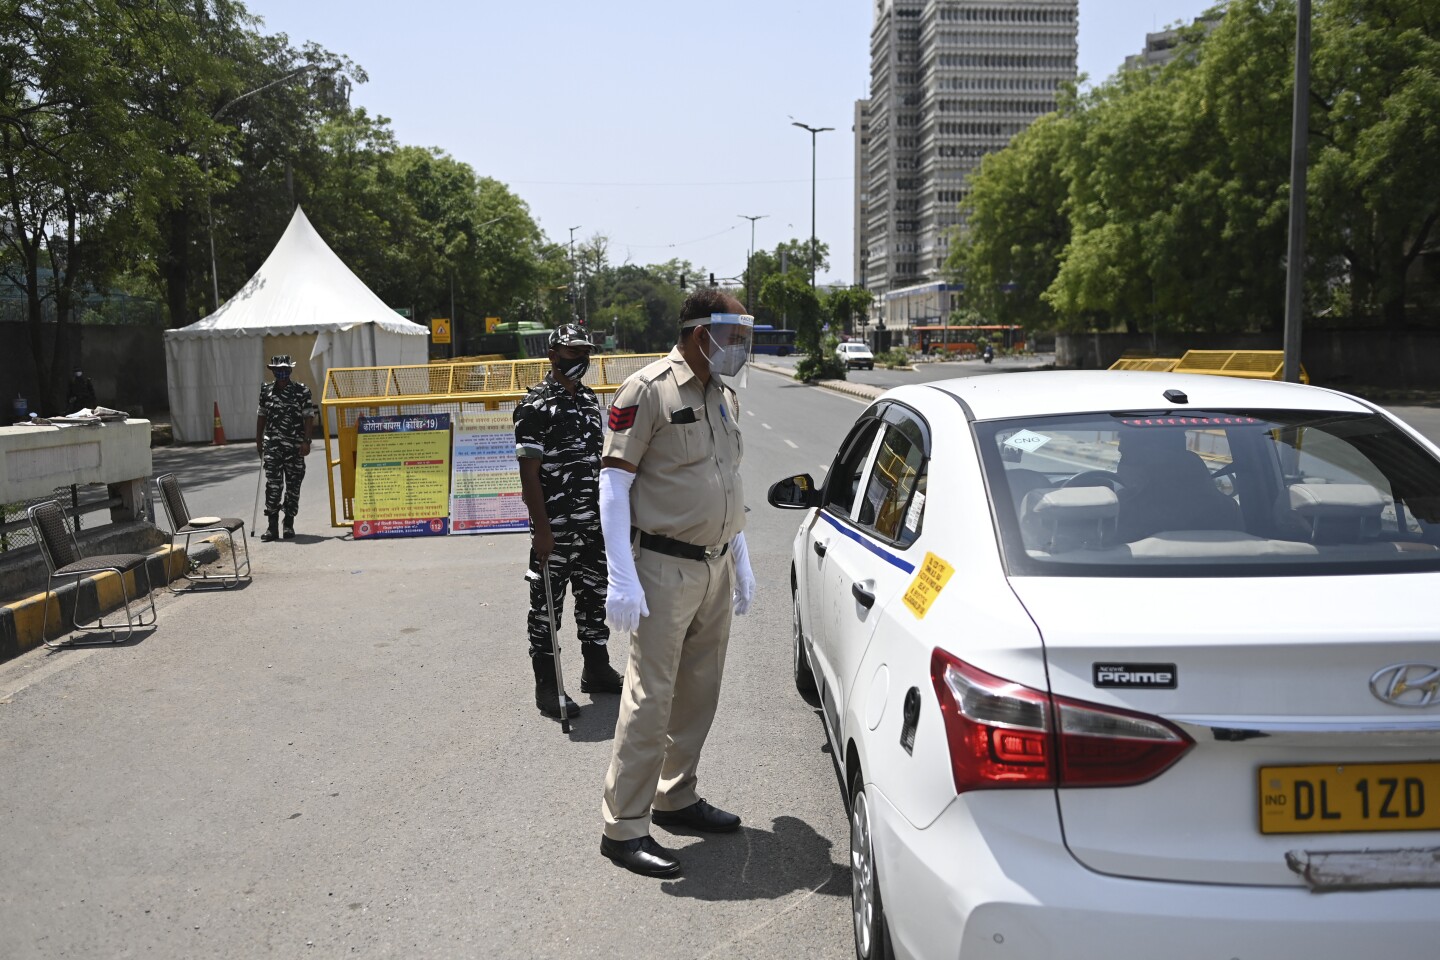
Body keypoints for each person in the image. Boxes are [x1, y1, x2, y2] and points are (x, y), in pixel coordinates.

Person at [596, 289, 757, 877]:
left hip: (713, 564)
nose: (740, 347)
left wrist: (738, 554)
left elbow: (723, 479)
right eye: (731, 334)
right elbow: (614, 484)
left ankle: (675, 794)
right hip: (662, 569)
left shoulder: (722, 396)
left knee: (699, 689)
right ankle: (623, 826)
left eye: (744, 335)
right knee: (650, 697)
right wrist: (622, 576)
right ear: (698, 332)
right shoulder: (648, 390)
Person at [513, 323, 624, 720]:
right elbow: (529, 475)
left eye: (586, 353)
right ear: (553, 355)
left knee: (594, 600)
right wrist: (542, 530)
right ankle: (547, 685)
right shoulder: (535, 406)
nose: (582, 360)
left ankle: (596, 668)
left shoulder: (589, 400)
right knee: (546, 607)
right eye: (574, 352)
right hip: (554, 529)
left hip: (591, 525)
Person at [254, 355, 315, 542]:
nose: (282, 373)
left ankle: (288, 523)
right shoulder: (266, 390)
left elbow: (309, 417)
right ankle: (272, 527)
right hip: (272, 446)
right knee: (273, 485)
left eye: (285, 370)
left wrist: (306, 441)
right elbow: (262, 415)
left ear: (290, 370)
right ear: (272, 371)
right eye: (278, 370)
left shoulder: (301, 391)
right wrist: (258, 441)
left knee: (293, 486)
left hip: (295, 447)